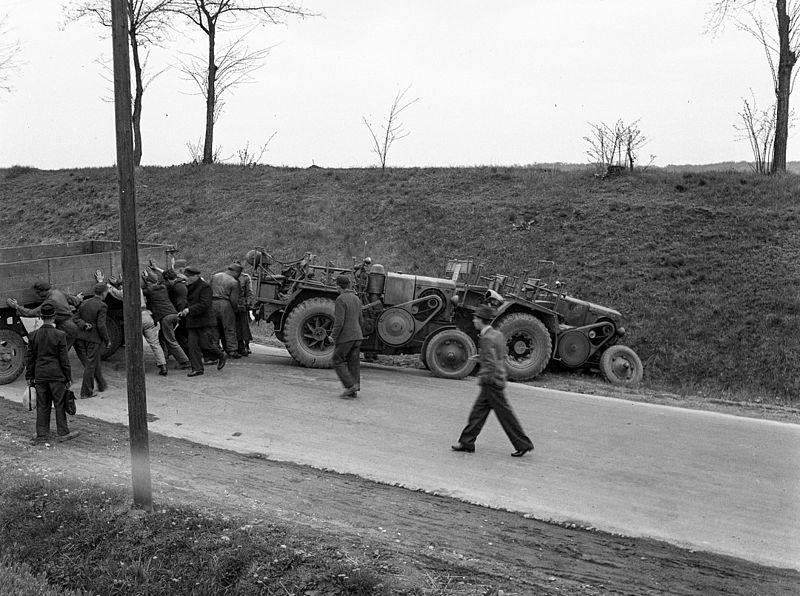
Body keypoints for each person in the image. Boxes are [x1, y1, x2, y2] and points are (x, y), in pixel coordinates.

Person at [451, 304, 534, 457]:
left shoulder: (487, 338)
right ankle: (466, 442)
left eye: (476, 318)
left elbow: (490, 363)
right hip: (498, 378)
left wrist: (484, 378)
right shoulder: (497, 334)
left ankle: (523, 444)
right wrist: (480, 358)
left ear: (481, 320)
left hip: (492, 381)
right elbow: (499, 355)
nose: (474, 321)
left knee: (505, 415)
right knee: (478, 413)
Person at [25, 303, 79, 444]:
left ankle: (42, 434)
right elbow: (64, 359)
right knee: (60, 404)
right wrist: (68, 377)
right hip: (57, 375)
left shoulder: (33, 336)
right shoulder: (60, 335)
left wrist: (29, 377)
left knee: (43, 404)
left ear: (41, 317)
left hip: (40, 375)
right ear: (54, 317)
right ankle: (62, 432)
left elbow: (29, 358)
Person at [105, 275, 168, 375]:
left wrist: (104, 283)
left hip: (135, 319)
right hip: (146, 316)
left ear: (123, 286)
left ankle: (137, 367)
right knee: (155, 343)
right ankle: (163, 365)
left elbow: (113, 291)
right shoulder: (138, 289)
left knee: (134, 345)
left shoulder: (124, 293)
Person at [7, 281, 83, 352]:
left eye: (38, 293)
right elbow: (75, 301)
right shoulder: (57, 292)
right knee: (81, 350)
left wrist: (16, 307)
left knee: (59, 352)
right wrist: (78, 298)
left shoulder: (50, 301)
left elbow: (32, 313)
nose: (37, 295)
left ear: (44, 291)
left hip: (66, 328)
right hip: (73, 325)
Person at [179, 266, 226, 377]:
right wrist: (183, 310)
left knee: (206, 345)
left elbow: (205, 304)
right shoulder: (189, 287)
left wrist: (189, 310)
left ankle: (221, 355)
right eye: (187, 277)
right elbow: (189, 302)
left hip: (204, 321)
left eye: (189, 277)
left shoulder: (205, 287)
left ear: (196, 276)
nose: (187, 279)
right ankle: (197, 369)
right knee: (192, 346)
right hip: (192, 321)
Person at [142, 271, 191, 372]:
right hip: (173, 314)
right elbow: (165, 281)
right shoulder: (163, 288)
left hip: (166, 318)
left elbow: (140, 291)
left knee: (170, 340)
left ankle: (185, 362)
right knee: (162, 337)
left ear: (149, 282)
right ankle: (163, 359)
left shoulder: (150, 290)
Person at [328, 275, 364, 399]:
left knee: (337, 360)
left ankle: (350, 386)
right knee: (353, 362)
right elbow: (361, 320)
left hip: (346, 337)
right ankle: (354, 387)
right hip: (357, 336)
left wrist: (333, 336)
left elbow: (339, 322)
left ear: (339, 286)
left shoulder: (340, 299)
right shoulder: (356, 299)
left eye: (336, 285)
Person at [73, 283, 110, 399]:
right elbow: (101, 326)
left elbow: (75, 318)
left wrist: (84, 325)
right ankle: (86, 392)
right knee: (90, 364)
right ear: (104, 293)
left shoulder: (84, 303)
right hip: (93, 338)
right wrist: (107, 340)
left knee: (93, 361)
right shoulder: (102, 306)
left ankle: (102, 384)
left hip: (81, 337)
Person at [210, 263, 242, 359]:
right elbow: (234, 300)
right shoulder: (233, 282)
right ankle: (232, 350)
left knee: (214, 327)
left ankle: (215, 349)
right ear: (235, 272)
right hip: (225, 304)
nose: (238, 276)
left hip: (212, 303)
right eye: (238, 274)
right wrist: (235, 309)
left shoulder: (215, 276)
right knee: (229, 328)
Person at [234, 261, 254, 356]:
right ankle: (236, 346)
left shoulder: (245, 277)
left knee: (244, 327)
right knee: (234, 326)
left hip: (242, 305)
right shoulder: (230, 277)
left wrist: (248, 303)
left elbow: (249, 292)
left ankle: (246, 345)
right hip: (232, 305)